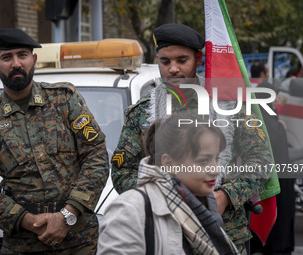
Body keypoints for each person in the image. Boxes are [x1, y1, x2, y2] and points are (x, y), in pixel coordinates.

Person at [111, 23, 273, 254]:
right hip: (164, 231)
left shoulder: (229, 104)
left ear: (198, 60)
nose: (173, 69)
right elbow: (121, 170)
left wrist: (225, 195)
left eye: (181, 60)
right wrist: (156, 196)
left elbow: (260, 159)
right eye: (165, 62)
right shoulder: (142, 112)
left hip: (225, 230)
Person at [0, 28, 109, 254]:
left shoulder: (65, 99)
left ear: (33, 60)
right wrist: (28, 220)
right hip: (22, 243)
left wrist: (68, 214)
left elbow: (96, 155)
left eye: (22, 55)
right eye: (6, 57)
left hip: (79, 239)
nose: (16, 63)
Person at [98, 114, 239, 254]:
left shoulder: (204, 209)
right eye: (203, 161)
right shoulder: (130, 210)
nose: (215, 170)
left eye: (216, 159)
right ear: (169, 163)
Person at [250, 81, 295, 255]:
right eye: (273, 95)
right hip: (278, 180)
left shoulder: (257, 118)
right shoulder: (273, 125)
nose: (276, 100)